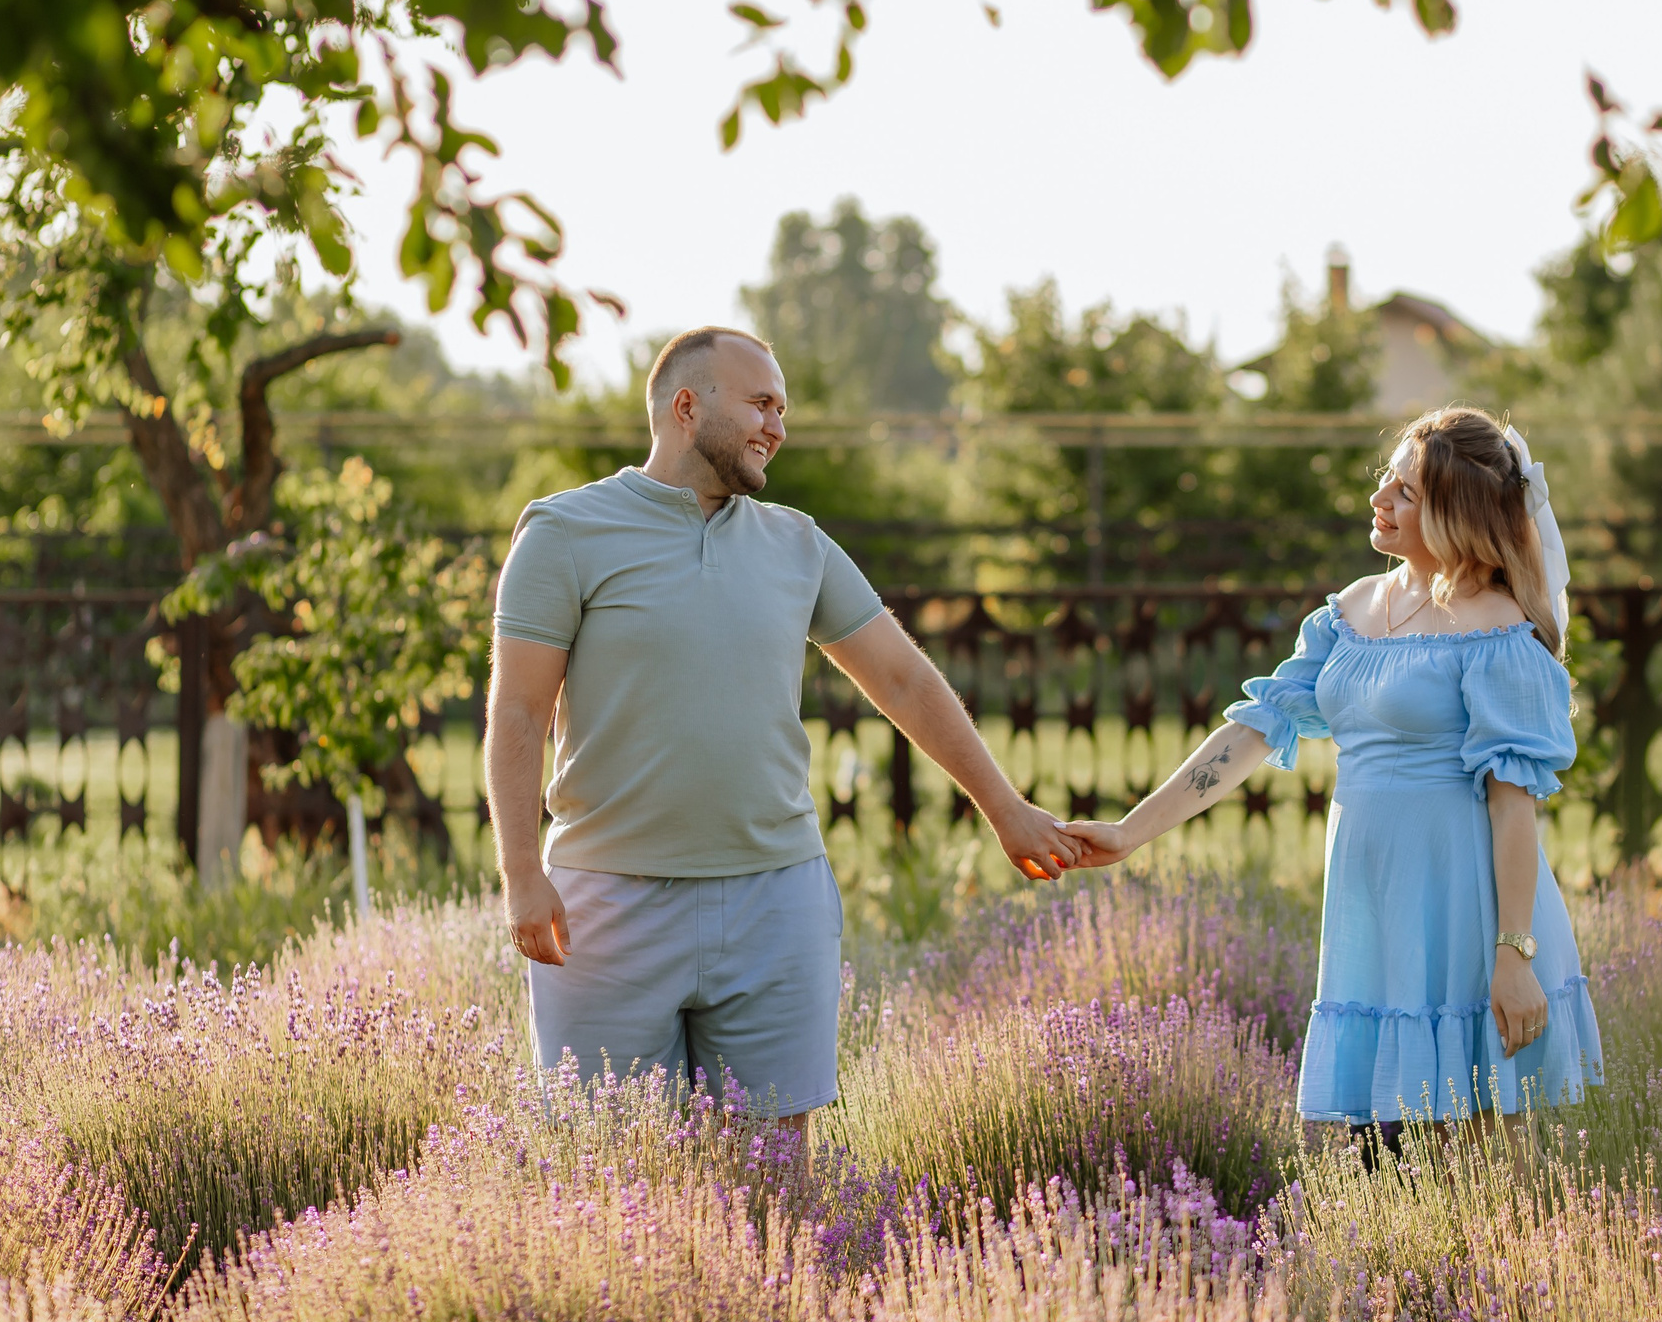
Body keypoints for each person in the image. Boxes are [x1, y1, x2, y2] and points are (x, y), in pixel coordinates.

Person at [486, 326, 1082, 1123]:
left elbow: (903, 679)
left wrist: (1005, 808)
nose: (779, 426)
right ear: (688, 407)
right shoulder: (564, 532)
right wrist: (523, 872)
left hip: (776, 902)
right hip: (605, 908)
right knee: (610, 1177)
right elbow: (518, 709)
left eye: (784, 409)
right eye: (762, 403)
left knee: (780, 1186)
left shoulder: (798, 543)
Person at [1064, 405, 1603, 1141]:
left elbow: (1514, 807)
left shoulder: (1499, 629)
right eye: (1388, 479)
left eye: (1407, 492)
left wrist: (1513, 956)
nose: (1380, 499)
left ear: (1459, 511)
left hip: (1463, 906)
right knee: (1388, 1148)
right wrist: (1130, 832)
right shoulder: (1351, 609)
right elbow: (1256, 730)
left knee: (1484, 1160)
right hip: (1373, 905)